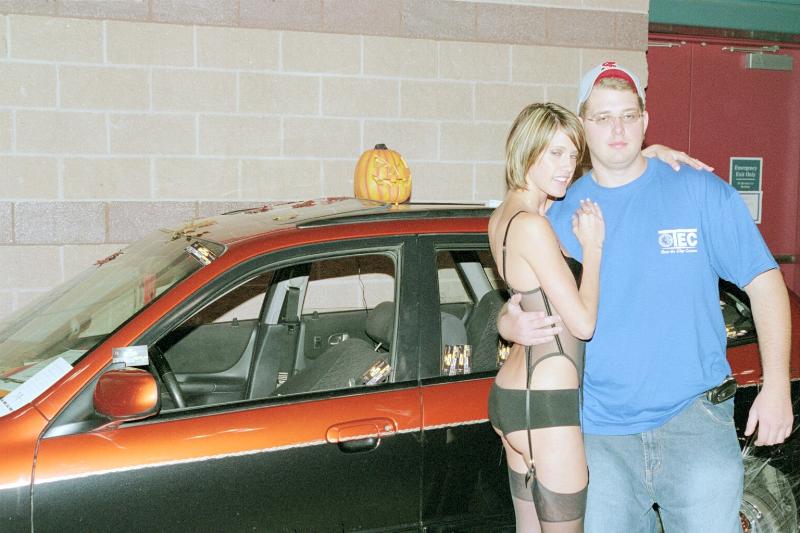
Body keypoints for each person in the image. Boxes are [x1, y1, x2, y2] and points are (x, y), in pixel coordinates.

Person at [498, 61, 793, 532]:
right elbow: (528, 288)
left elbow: (766, 282)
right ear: (583, 127)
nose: (617, 130)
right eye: (602, 118)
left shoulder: (698, 189)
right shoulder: (557, 213)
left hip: (696, 422)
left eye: (628, 116)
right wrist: (507, 320)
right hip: (598, 434)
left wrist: (776, 386)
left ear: (645, 121)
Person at [488, 102, 604, 532]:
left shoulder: (503, 217)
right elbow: (583, 324)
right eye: (555, 153)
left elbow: (523, 297)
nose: (567, 166)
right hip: (545, 403)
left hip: (513, 395)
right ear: (527, 150)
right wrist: (593, 248)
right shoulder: (533, 227)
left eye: (572, 154)